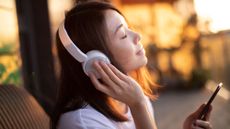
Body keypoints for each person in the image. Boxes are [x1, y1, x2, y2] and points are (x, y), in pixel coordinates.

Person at [51, 1, 212, 129]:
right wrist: (139, 105)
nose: (137, 36)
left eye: (129, 29)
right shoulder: (83, 123)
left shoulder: (132, 97)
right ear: (95, 61)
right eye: (122, 35)